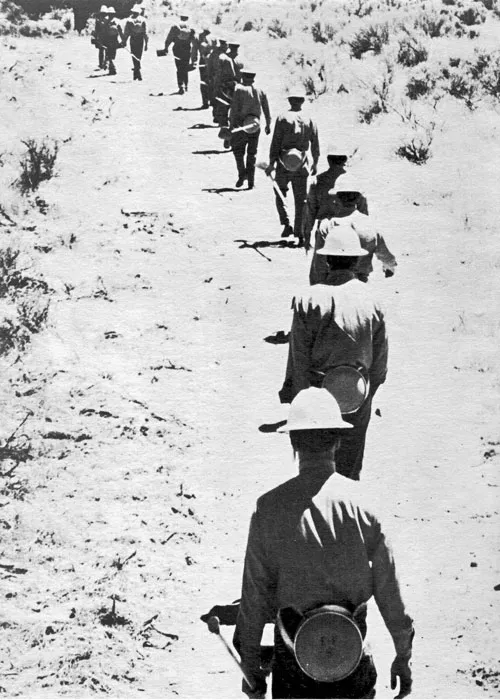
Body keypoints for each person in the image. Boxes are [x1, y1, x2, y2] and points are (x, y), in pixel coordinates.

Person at [234, 387, 414, 699]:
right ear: (338, 440)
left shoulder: (268, 509)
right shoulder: (366, 506)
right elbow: (390, 593)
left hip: (295, 661)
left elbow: (254, 598)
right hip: (352, 655)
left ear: (293, 442)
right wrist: (403, 655)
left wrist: (250, 664)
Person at [279, 221, 388, 480]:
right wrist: (366, 393)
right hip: (357, 390)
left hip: (317, 392)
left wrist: (298, 397)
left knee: (315, 468)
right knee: (350, 468)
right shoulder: (373, 301)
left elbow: (299, 356)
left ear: (327, 260)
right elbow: (380, 363)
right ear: (356, 262)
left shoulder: (308, 299)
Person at [266, 88, 319, 245]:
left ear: (290, 101)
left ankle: (286, 223)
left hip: (283, 162)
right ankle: (300, 232)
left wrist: (271, 163)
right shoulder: (309, 119)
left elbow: (275, 141)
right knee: (301, 199)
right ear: (302, 101)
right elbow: (315, 142)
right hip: (302, 164)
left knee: (279, 191)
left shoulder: (282, 118)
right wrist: (315, 161)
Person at [229, 68, 271, 189]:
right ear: (253, 78)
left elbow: (234, 109)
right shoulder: (260, 90)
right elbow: (266, 109)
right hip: (255, 126)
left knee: (238, 152)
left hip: (241, 126)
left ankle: (242, 174)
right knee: (252, 154)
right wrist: (268, 124)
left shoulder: (239, 89)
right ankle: (251, 182)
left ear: (243, 77)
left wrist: (231, 125)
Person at [164, 14, 196, 94]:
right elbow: (194, 41)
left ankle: (180, 86)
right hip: (187, 49)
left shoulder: (175, 26)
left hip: (177, 49)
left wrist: (166, 48)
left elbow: (169, 39)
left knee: (179, 68)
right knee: (185, 67)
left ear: (180, 17)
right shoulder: (191, 28)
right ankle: (186, 86)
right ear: (187, 18)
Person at [213, 41, 242, 127]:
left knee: (224, 103)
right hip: (230, 85)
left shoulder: (224, 57)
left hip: (226, 85)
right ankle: (225, 122)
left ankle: (222, 120)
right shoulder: (234, 59)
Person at [123, 5, 148, 81]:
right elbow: (145, 33)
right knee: (138, 55)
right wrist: (146, 43)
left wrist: (124, 41)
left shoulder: (129, 20)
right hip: (140, 39)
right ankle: (137, 71)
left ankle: (136, 71)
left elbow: (126, 33)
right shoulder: (143, 20)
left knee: (134, 55)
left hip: (133, 39)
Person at [191, 27, 212, 109]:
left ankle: (205, 102)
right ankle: (210, 100)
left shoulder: (198, 37)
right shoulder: (213, 37)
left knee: (204, 82)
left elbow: (194, 50)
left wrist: (194, 61)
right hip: (213, 61)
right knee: (212, 81)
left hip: (203, 61)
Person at [101, 7, 124, 77]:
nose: (111, 15)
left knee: (112, 55)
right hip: (107, 40)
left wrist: (123, 40)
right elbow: (103, 32)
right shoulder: (106, 21)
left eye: (112, 14)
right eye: (109, 14)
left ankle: (110, 66)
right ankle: (111, 68)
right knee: (109, 54)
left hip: (114, 40)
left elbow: (120, 31)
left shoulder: (117, 22)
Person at [91, 5, 108, 71]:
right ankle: (102, 63)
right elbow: (96, 29)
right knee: (102, 50)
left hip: (104, 37)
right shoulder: (99, 20)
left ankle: (104, 63)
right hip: (101, 37)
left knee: (104, 50)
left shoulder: (104, 20)